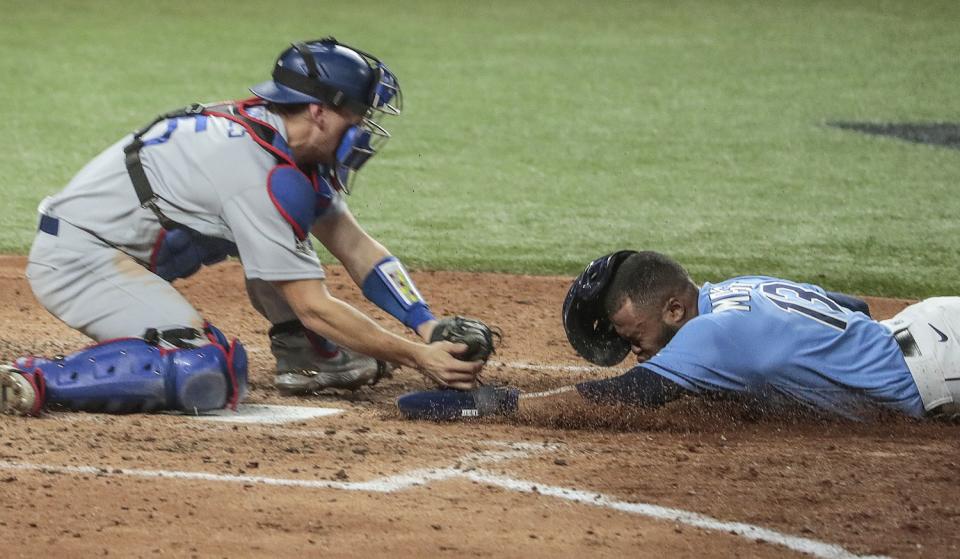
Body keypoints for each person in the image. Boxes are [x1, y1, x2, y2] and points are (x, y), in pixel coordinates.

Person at [0, 37, 483, 416]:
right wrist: (418, 357)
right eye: (357, 113)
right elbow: (313, 307)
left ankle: (310, 358)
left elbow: (355, 247)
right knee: (208, 368)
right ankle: (36, 379)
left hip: (121, 254)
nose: (364, 127)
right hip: (80, 263)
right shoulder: (254, 168)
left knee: (280, 248)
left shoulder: (286, 146)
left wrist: (427, 325)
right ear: (318, 111)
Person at [397, 250, 960, 422]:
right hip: (928, 323)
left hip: (945, 366)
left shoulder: (711, 334)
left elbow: (621, 398)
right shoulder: (739, 287)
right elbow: (854, 307)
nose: (631, 349)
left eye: (631, 331)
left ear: (673, 307)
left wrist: (492, 406)